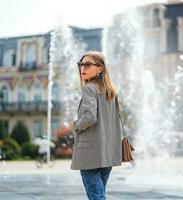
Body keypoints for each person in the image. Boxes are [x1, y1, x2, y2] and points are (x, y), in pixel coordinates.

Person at [67, 51, 123, 200]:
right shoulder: (111, 91)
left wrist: (76, 126)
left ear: (100, 68)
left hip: (90, 153)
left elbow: (90, 117)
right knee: (99, 194)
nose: (82, 68)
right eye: (80, 64)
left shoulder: (89, 88)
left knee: (96, 197)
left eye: (87, 65)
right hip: (108, 153)